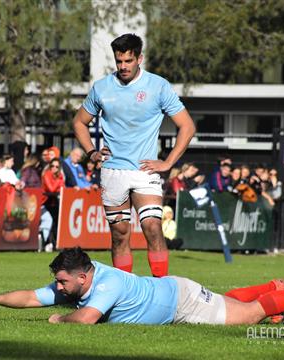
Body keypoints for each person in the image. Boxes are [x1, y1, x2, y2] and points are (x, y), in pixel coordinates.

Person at [72, 33, 196, 277]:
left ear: (140, 58)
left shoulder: (158, 86)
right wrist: (92, 152)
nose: (123, 66)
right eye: (119, 61)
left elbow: (188, 126)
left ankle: (162, 290)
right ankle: (125, 292)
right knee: (120, 234)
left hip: (144, 171)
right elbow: (79, 122)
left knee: (152, 227)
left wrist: (169, 162)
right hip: (112, 171)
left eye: (128, 61)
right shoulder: (102, 88)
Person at [0, 247, 284, 327]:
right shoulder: (78, 280)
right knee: (238, 306)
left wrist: (58, 321)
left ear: (83, 278)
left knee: (248, 317)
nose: (57, 286)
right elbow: (31, 297)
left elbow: (84, 320)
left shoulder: (107, 284)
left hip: (183, 303)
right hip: (174, 293)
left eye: (62, 281)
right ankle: (273, 287)